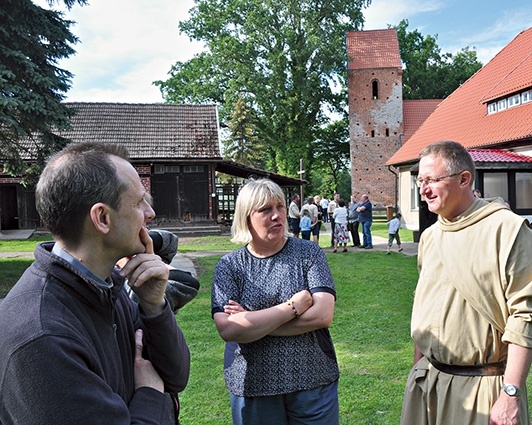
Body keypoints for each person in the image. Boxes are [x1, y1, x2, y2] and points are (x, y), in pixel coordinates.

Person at [0, 142, 190, 423]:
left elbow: (175, 375)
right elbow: (161, 385)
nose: (150, 214)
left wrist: (154, 306)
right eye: (139, 202)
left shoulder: (108, 286)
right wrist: (151, 392)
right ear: (102, 217)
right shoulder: (42, 337)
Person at [400, 141, 532, 425]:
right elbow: (425, 303)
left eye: (431, 180)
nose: (423, 189)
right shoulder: (430, 237)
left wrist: (510, 393)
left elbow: (526, 317)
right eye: (420, 181)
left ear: (464, 179)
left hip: (484, 388)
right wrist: (419, 364)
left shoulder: (507, 230)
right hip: (429, 382)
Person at [211, 178, 339, 425]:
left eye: (280, 207)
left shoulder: (308, 253)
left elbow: (323, 315)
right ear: (246, 217)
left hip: (313, 380)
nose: (277, 216)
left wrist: (253, 323)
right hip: (253, 386)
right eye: (265, 210)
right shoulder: (229, 266)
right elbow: (228, 328)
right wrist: (292, 307)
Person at [122, 229, 201, 314]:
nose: (151, 215)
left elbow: (170, 242)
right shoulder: (126, 291)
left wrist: (137, 240)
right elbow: (188, 283)